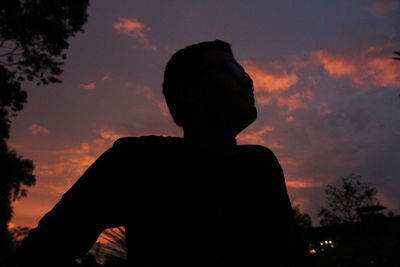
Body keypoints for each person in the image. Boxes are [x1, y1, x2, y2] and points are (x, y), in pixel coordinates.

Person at [11, 40, 310, 266]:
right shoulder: (138, 162)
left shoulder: (260, 165)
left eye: (245, 71)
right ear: (187, 90)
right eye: (230, 69)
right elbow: (46, 249)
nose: (247, 80)